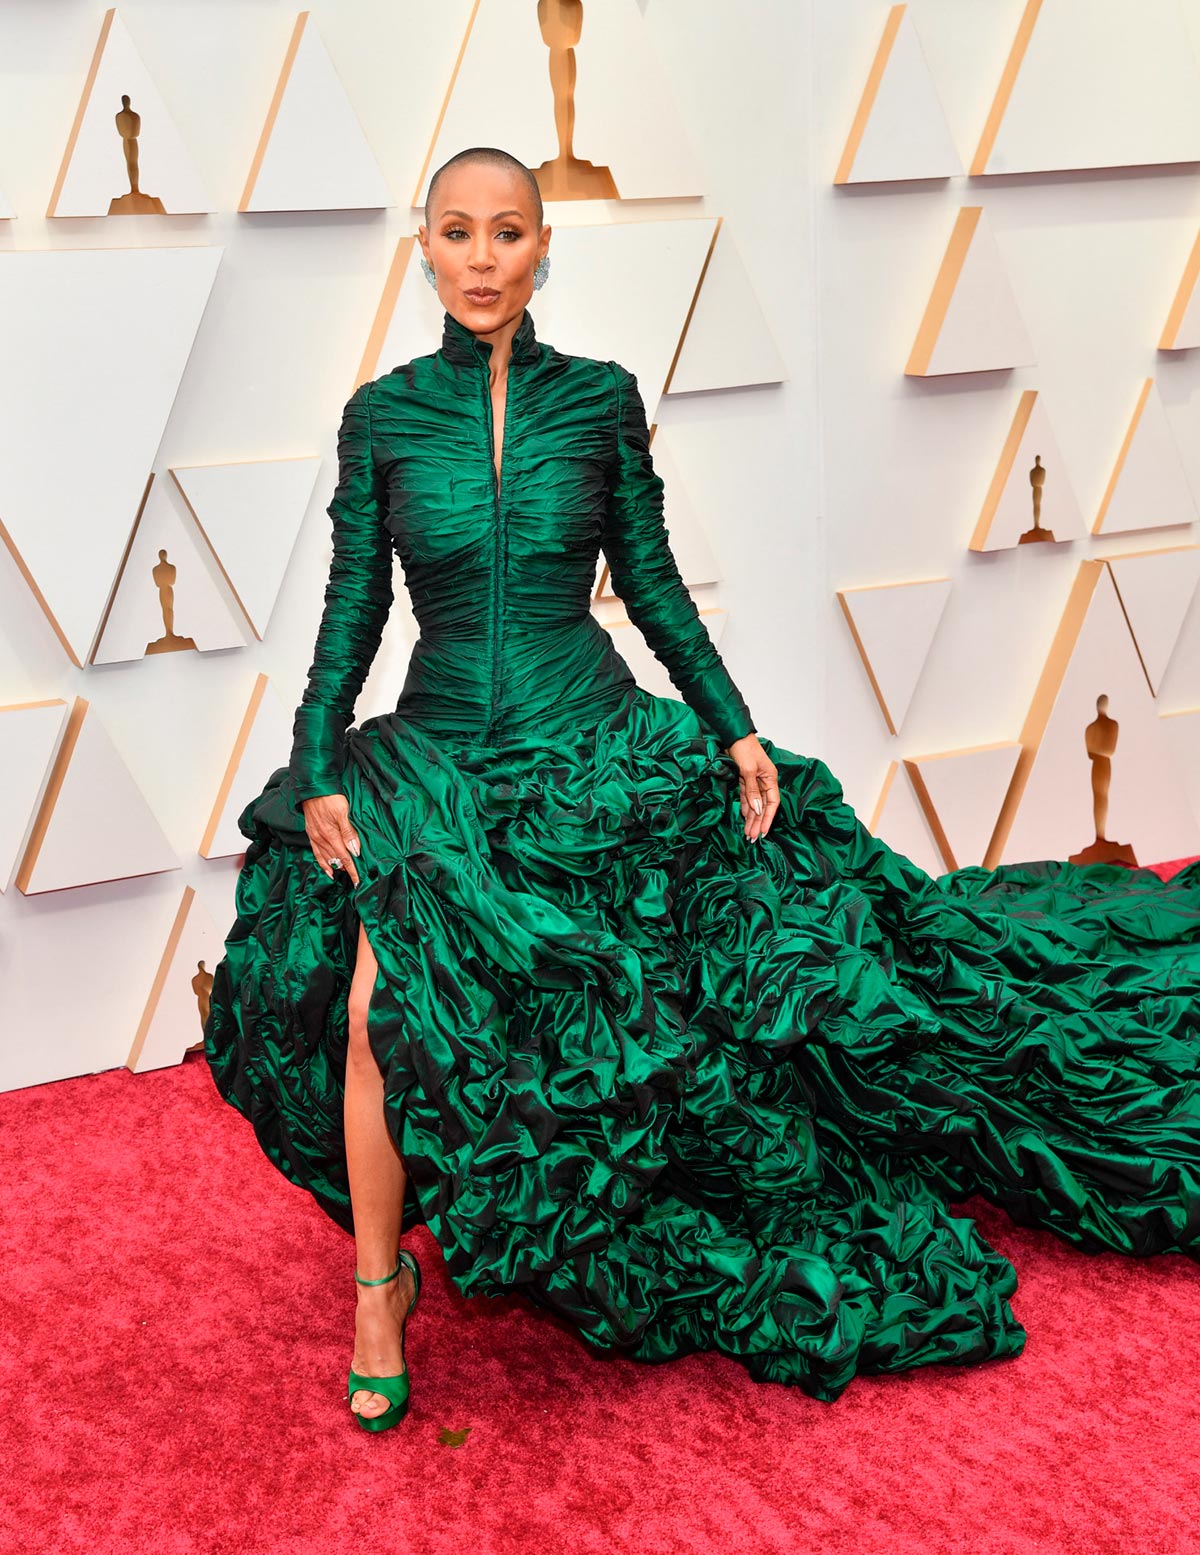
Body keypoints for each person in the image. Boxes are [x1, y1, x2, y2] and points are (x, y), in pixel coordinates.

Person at [204, 145, 1200, 1433]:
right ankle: (377, 1295)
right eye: (457, 233)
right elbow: (355, 603)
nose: (483, 258)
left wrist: (735, 732)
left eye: (508, 233)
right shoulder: (382, 415)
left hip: (593, 746)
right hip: (438, 763)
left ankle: (640, 1189)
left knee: (685, 1001)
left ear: (541, 247)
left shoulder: (603, 400)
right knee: (368, 1014)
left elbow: (656, 582)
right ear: (427, 251)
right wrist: (321, 759)